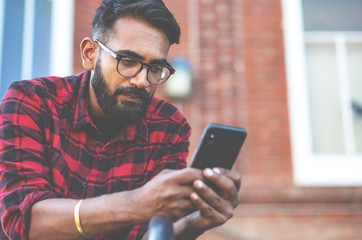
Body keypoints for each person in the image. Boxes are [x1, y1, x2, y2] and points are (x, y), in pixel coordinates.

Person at [0, 0, 241, 239]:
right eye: (128, 61)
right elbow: (23, 221)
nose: (142, 81)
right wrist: (137, 203)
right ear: (89, 54)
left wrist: (191, 223)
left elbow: (149, 235)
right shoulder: (31, 102)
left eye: (155, 68)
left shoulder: (168, 127)